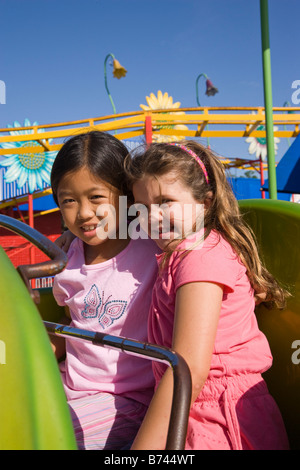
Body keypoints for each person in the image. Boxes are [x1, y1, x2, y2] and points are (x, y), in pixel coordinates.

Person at [124, 140, 290, 450]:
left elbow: (189, 367)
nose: (153, 217)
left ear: (206, 203)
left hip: (221, 416)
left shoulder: (200, 257)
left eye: (165, 202)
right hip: (195, 405)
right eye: (142, 208)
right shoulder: (181, 249)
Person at [50, 131, 159, 450]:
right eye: (68, 200)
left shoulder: (152, 244)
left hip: (130, 402)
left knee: (48, 435)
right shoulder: (66, 261)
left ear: (125, 194)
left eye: (96, 197)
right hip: (73, 391)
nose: (83, 213)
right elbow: (73, 326)